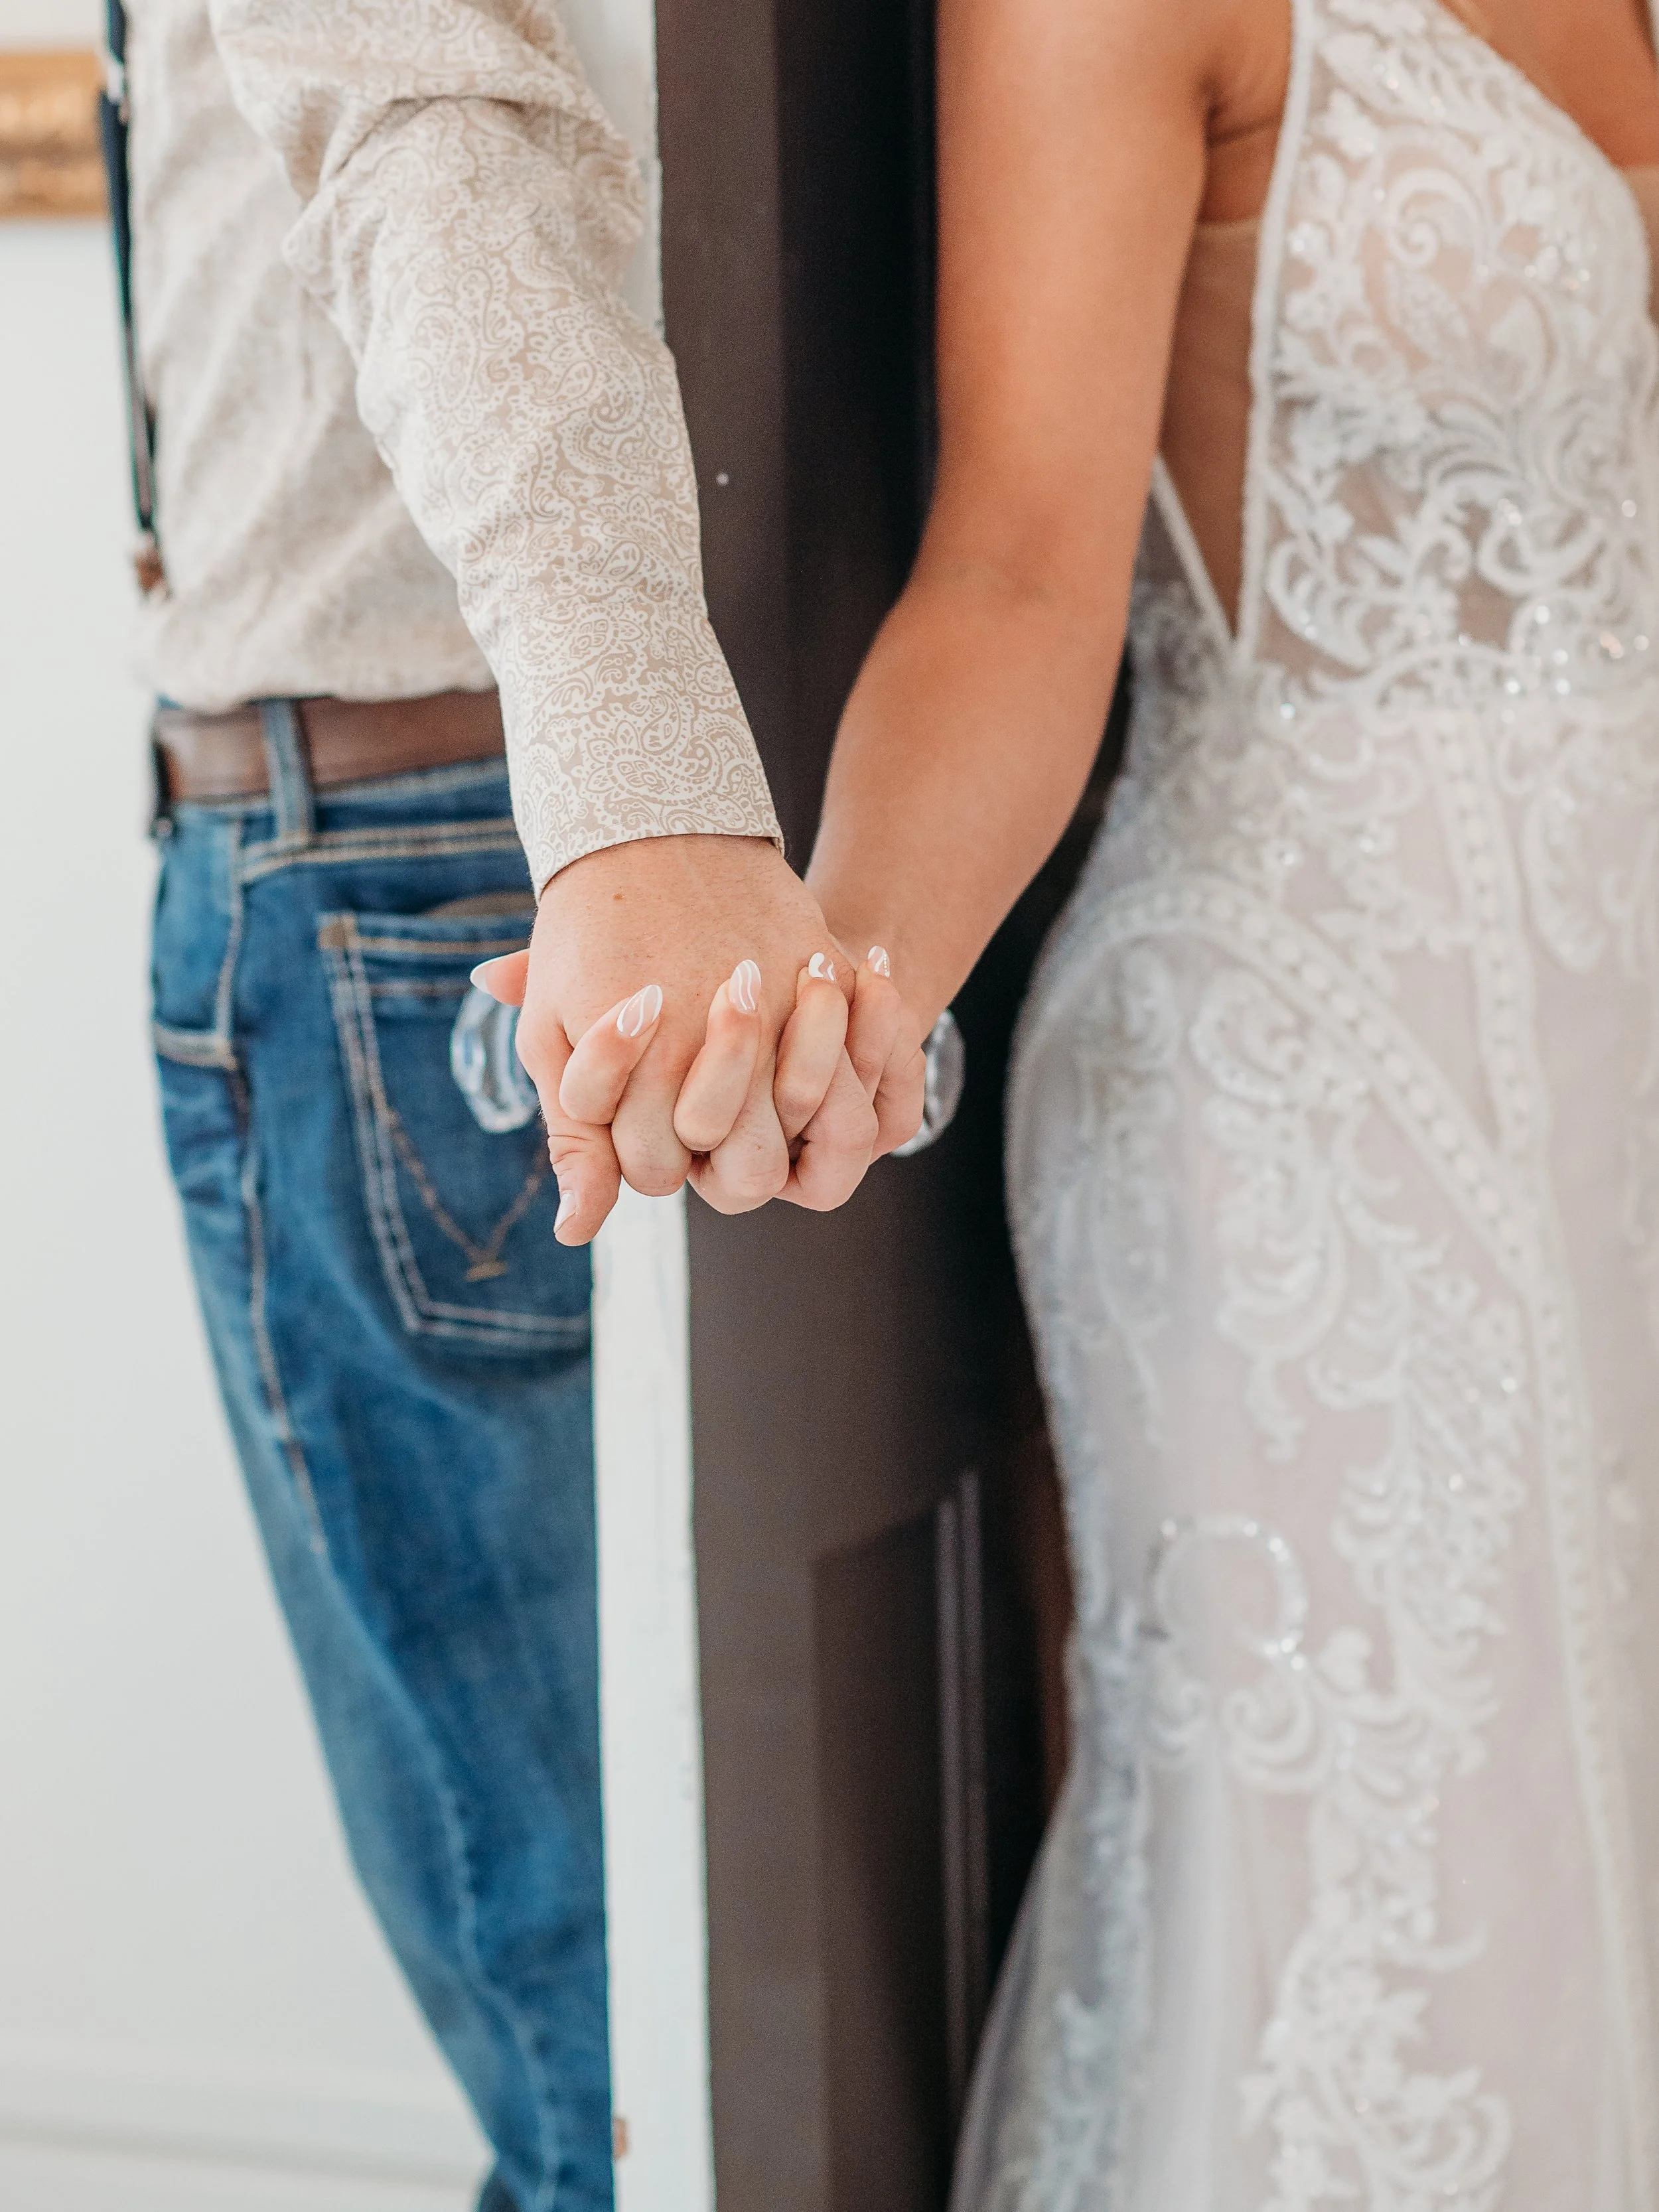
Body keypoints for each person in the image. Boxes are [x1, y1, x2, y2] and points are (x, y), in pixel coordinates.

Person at [806, 0, 1659, 2198]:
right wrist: (835, 984)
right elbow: (1008, 580)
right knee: (1395, 1892)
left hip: (1619, 1049)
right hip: (1310, 1097)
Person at [113, 3, 919, 2207]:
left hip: (493, 860)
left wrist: (638, 790)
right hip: (614, 836)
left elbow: (420, 105)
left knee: (626, 2090)